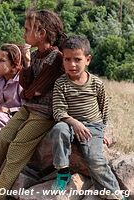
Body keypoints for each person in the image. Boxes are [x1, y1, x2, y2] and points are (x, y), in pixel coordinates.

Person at [0, 9, 66, 200]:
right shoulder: (36, 55)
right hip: (29, 108)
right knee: (3, 139)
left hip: (44, 114)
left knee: (18, 146)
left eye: (27, 30)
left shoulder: (56, 58)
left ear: (41, 33)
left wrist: (28, 80)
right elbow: (27, 85)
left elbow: (33, 90)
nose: (23, 34)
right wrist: (27, 62)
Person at [50, 35, 126, 200]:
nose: (72, 64)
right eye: (67, 59)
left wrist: (104, 132)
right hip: (69, 124)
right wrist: (74, 122)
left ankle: (115, 193)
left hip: (92, 127)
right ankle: (63, 172)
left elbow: (104, 108)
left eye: (77, 59)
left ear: (88, 59)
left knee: (95, 159)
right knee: (58, 129)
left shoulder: (96, 83)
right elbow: (58, 111)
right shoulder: (60, 83)